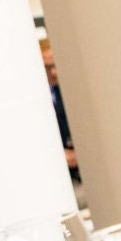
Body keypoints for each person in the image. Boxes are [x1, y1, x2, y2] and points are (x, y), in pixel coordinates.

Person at [41, 39, 81, 184]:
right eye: (47, 66)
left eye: (55, 65)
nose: (53, 71)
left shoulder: (73, 91)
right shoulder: (38, 99)